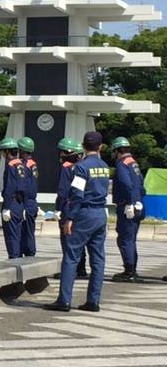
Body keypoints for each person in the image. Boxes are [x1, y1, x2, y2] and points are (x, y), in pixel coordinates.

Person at [45, 131, 109, 312]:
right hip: (100, 215)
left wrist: (69, 218)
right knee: (98, 259)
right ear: (100, 147)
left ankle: (64, 301)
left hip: (83, 214)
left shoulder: (81, 167)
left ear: (83, 146)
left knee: (71, 257)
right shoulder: (104, 166)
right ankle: (93, 301)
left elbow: (77, 194)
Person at [111, 137, 145, 282]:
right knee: (131, 239)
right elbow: (141, 185)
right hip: (138, 205)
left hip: (127, 206)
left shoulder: (122, 165)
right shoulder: (134, 163)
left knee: (125, 239)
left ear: (117, 151)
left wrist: (130, 202)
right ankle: (132, 269)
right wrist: (138, 201)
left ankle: (129, 271)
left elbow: (126, 184)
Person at [54, 138, 88, 279]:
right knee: (79, 240)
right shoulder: (82, 167)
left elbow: (63, 190)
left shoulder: (66, 167)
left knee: (67, 240)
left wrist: (58, 208)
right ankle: (81, 268)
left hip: (68, 206)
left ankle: (70, 270)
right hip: (80, 207)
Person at [0, 137, 26, 259]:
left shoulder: (10, 165)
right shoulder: (20, 164)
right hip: (20, 203)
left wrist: (6, 207)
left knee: (11, 236)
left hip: (12, 203)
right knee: (18, 235)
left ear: (7, 152)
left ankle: (14, 260)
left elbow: (10, 187)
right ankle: (17, 259)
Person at [18, 137, 39, 257]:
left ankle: (30, 255)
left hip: (27, 202)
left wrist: (24, 205)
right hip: (32, 202)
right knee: (30, 232)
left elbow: (26, 186)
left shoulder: (25, 166)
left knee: (26, 232)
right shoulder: (33, 164)